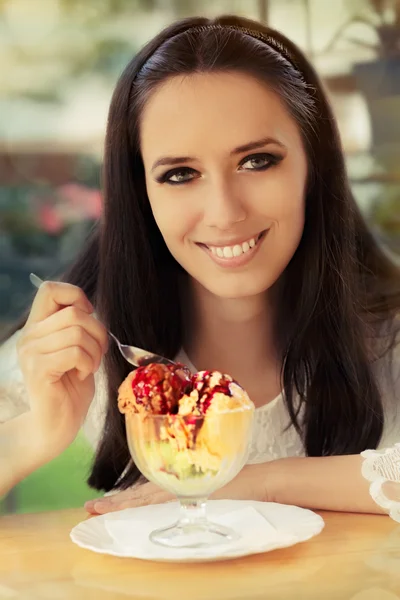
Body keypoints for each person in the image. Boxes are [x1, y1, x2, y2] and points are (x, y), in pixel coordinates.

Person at [0, 14, 399, 515]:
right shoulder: (80, 342)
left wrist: (261, 483)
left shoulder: (387, 330)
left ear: (314, 167)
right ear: (139, 192)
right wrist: (35, 433)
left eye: (257, 161)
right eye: (180, 174)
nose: (225, 212)